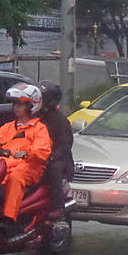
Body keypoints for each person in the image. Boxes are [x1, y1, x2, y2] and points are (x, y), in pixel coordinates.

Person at [0, 83, 52, 239]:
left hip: (29, 168)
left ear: (31, 106)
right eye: (15, 104)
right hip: (3, 166)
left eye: (20, 104)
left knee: (16, 177)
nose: (16, 107)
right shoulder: (7, 128)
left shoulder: (39, 128)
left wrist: (26, 153)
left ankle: (10, 219)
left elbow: (42, 151)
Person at [37, 80, 74, 216]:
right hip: (38, 156)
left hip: (59, 159)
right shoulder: (34, 118)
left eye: (40, 98)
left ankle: (57, 208)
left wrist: (51, 156)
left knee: (53, 169)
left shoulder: (60, 121)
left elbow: (65, 144)